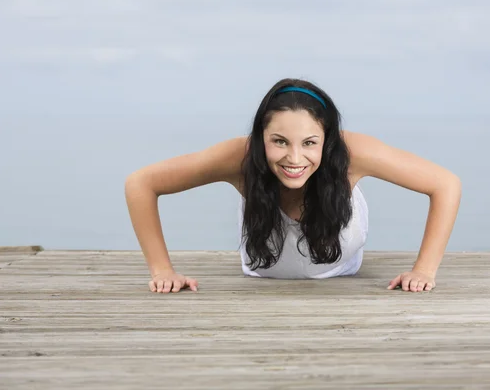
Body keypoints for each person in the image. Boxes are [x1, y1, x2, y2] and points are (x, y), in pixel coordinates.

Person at [124, 78, 462, 294]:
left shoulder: (353, 153)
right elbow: (141, 183)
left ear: (327, 142)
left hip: (341, 271)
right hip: (263, 274)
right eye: (280, 141)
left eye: (310, 143)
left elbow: (445, 184)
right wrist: (162, 270)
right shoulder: (239, 157)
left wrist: (423, 270)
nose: (295, 158)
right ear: (261, 139)